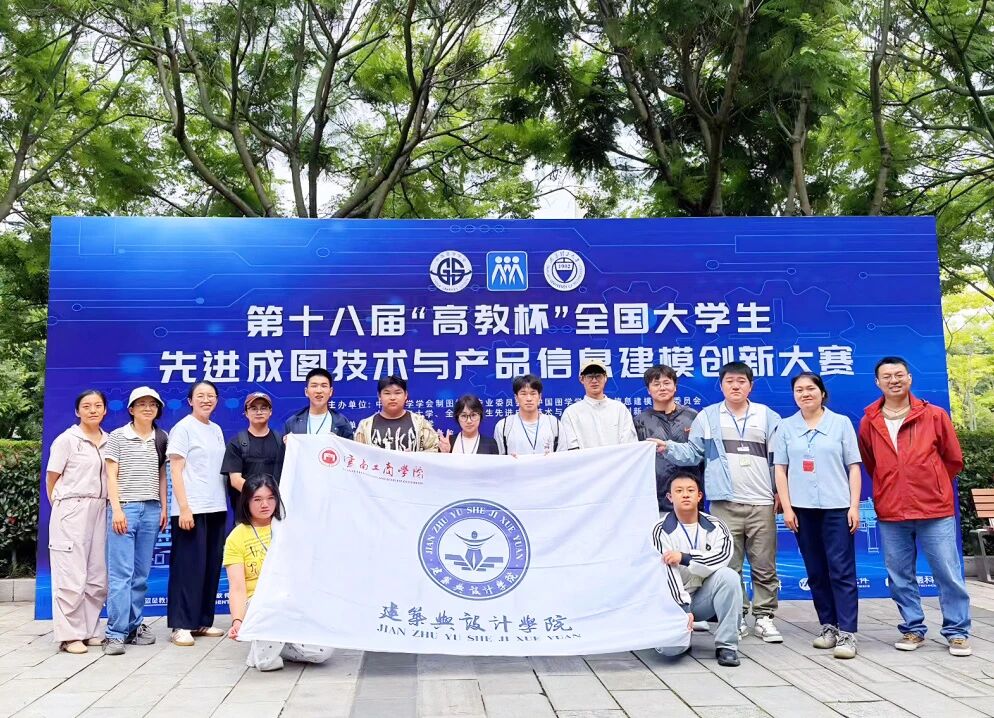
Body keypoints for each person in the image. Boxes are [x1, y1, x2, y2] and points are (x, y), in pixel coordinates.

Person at [660, 361, 783, 643]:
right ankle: (736, 617)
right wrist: (667, 448)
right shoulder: (708, 416)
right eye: (729, 381)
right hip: (724, 503)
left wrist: (778, 492)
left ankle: (764, 617)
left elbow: (779, 460)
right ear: (721, 385)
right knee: (728, 565)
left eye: (741, 381)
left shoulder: (767, 416)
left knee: (764, 564)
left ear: (751, 385)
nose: (735, 386)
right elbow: (693, 453)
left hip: (762, 501)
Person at [857, 356, 971, 656]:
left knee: (947, 572)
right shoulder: (869, 421)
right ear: (877, 382)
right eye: (886, 376)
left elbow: (952, 459)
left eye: (899, 375)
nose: (893, 380)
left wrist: (931, 482)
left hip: (934, 508)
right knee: (899, 575)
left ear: (909, 378)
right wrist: (892, 485)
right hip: (892, 509)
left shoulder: (934, 415)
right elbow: (871, 462)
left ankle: (957, 632)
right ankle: (912, 628)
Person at [774, 372, 862, 659]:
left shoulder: (840, 423)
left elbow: (853, 466)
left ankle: (847, 632)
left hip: (837, 507)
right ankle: (828, 627)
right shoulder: (786, 427)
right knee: (816, 570)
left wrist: (853, 506)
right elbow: (780, 470)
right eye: (799, 390)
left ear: (822, 392)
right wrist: (788, 508)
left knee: (841, 570)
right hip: (802, 510)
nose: (805, 394)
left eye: (810, 388)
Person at [224, 474, 332, 671]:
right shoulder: (236, 538)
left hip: (292, 600)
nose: (265, 504)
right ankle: (264, 656)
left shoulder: (289, 528)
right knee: (274, 604)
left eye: (270, 498)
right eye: (257, 499)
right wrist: (238, 621)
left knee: (322, 652)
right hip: (257, 603)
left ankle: (266, 644)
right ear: (246, 501)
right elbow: (237, 588)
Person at [102, 386, 169, 655]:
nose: (147, 408)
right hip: (125, 509)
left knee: (140, 575)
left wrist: (163, 507)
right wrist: (116, 509)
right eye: (141, 404)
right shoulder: (118, 436)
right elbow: (111, 475)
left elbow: (162, 475)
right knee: (121, 575)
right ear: (131, 409)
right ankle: (114, 634)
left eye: (152, 404)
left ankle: (133, 627)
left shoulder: (162, 437)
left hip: (152, 510)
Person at [652, 472, 740, 666]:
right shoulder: (660, 530)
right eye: (679, 491)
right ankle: (681, 635)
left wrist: (685, 558)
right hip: (672, 602)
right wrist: (682, 608)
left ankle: (727, 646)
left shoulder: (716, 526)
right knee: (670, 651)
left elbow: (721, 558)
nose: (685, 495)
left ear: (699, 496)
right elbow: (665, 573)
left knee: (729, 577)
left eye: (690, 490)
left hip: (702, 598)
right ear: (670, 497)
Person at [45, 390, 110, 654]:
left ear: (105, 410)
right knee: (70, 574)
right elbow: (52, 479)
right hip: (72, 509)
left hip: (101, 508)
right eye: (86, 406)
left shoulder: (109, 441)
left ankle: (90, 629)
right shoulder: (67, 440)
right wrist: (64, 508)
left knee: (97, 575)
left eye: (98, 405)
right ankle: (70, 635)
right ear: (77, 411)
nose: (93, 410)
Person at [167, 380, 228, 647]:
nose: (206, 400)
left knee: (210, 566)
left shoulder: (216, 429)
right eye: (200, 395)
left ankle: (202, 620)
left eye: (211, 395)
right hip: (191, 509)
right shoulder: (183, 428)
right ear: (190, 400)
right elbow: (176, 469)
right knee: (187, 567)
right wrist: (184, 507)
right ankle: (181, 624)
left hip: (216, 506)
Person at [634, 365, 702, 513]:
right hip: (656, 499)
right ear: (648, 390)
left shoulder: (693, 416)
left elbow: (701, 455)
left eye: (666, 383)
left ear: (675, 386)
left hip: (690, 497)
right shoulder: (640, 421)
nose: (662, 388)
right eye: (656, 384)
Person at [560, 359, 638, 449]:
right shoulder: (571, 413)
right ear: (581, 379)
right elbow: (571, 449)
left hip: (619, 458)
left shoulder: (619, 409)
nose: (594, 381)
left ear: (605, 378)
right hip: (585, 459)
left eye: (598, 376)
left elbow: (629, 446)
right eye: (589, 376)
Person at [222, 392, 283, 500]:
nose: (259, 412)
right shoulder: (235, 443)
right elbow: (235, 480)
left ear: (270, 411)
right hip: (246, 505)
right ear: (246, 413)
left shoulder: (282, 442)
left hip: (275, 505)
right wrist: (260, 498)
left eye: (263, 408)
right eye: (254, 408)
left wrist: (269, 500)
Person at [354, 376, 440, 451]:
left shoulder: (420, 423)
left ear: (406, 395)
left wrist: (414, 457)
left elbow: (433, 449)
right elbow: (358, 455)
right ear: (379, 396)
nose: (392, 398)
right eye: (387, 393)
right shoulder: (365, 426)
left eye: (397, 393)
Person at [494, 374, 569, 455]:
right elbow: (498, 459)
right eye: (523, 394)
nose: (529, 399)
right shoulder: (504, 426)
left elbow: (563, 457)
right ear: (516, 398)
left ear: (540, 397)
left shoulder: (554, 424)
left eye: (533, 394)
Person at [282, 368, 353, 438]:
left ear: (331, 391)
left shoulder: (342, 423)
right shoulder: (293, 422)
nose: (319, 391)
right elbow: (284, 445)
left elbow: (348, 445)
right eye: (314, 386)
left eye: (324, 386)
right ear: (306, 392)